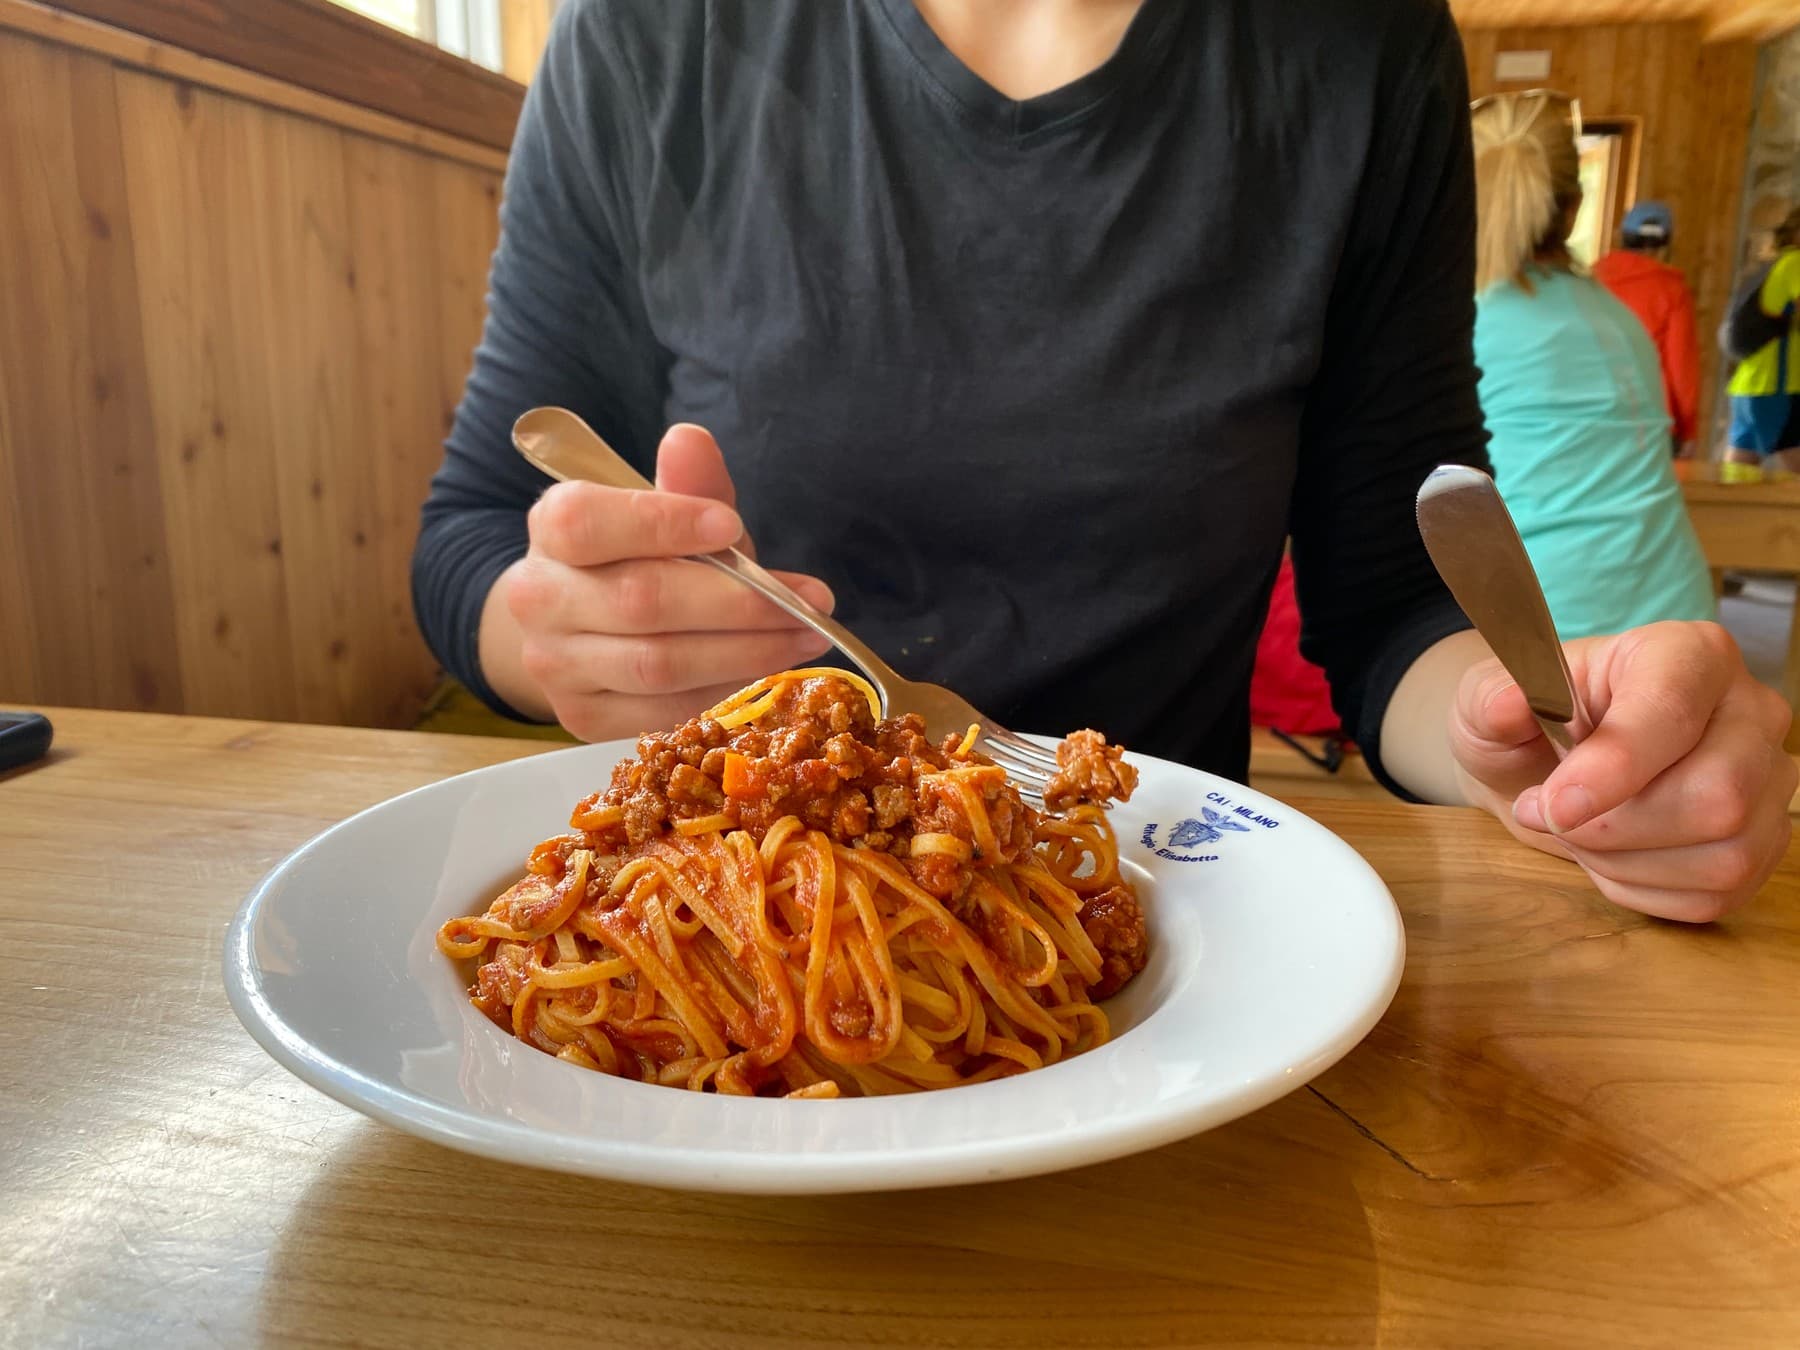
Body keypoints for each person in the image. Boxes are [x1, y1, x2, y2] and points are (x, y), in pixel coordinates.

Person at [414, 0, 1793, 923]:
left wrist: (1540, 739)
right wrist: (558, 636)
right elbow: (475, 530)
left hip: (1158, 920)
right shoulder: (650, 37)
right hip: (723, 898)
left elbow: (1390, 608)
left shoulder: (1359, 41)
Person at [1470, 92, 1716, 639]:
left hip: (1545, 625)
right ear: (1575, 206)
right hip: (1678, 612)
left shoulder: (1460, 322)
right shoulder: (1618, 317)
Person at [1591, 201, 1701, 457]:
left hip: (1590, 418)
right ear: (1666, 246)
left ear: (1623, 238)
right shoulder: (1672, 290)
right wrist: (1689, 430)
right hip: (1649, 424)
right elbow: (1681, 367)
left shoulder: (1590, 279)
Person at [1724, 207, 1800, 472]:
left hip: (1750, 382)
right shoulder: (1795, 263)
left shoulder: (1772, 265)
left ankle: (1720, 514)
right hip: (1776, 385)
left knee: (1739, 471)